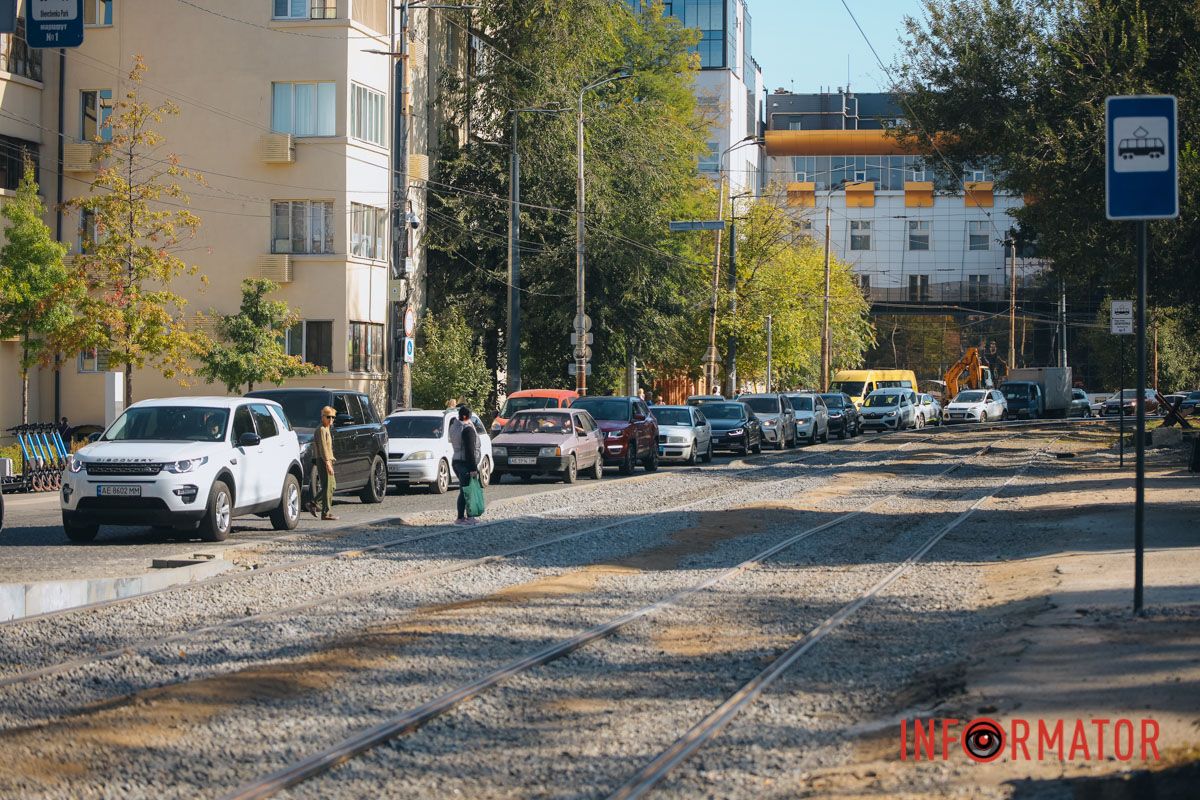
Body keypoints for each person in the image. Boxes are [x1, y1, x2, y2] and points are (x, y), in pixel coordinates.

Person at [449, 405, 480, 525]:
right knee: (467, 490)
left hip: (456, 461)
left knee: (464, 489)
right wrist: (473, 468)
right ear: (467, 416)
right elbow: (469, 450)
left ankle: (461, 517)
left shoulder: (454, 427)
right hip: (465, 462)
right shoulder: (468, 429)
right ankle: (466, 517)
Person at [310, 405, 337, 520]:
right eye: (328, 417)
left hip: (328, 460)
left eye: (333, 417)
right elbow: (323, 448)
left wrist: (331, 460)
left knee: (332, 486)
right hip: (323, 460)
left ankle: (314, 502)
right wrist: (327, 463)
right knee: (328, 487)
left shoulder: (326, 428)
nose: (331, 419)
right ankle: (326, 513)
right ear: (323, 417)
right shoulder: (321, 429)